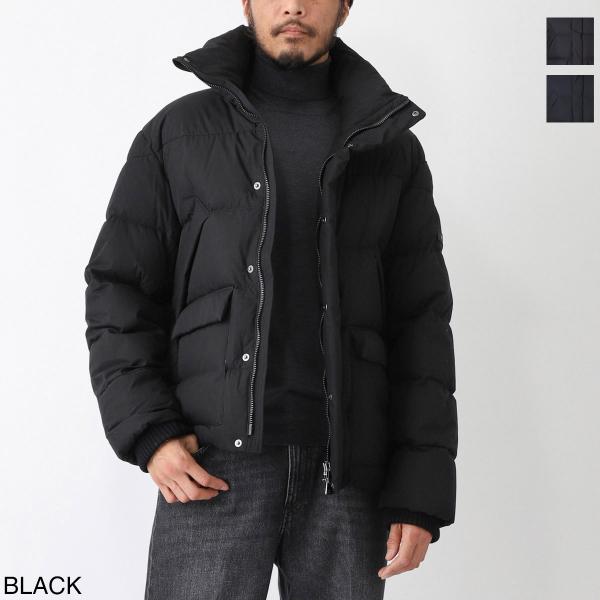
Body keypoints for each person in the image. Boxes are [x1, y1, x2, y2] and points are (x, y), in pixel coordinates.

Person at [83, 1, 458, 598]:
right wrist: (150, 432)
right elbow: (119, 288)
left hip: (348, 474)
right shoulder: (178, 133)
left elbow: (421, 324)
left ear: (345, 6)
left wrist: (419, 492)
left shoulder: (389, 149)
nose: (292, 6)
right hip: (211, 464)